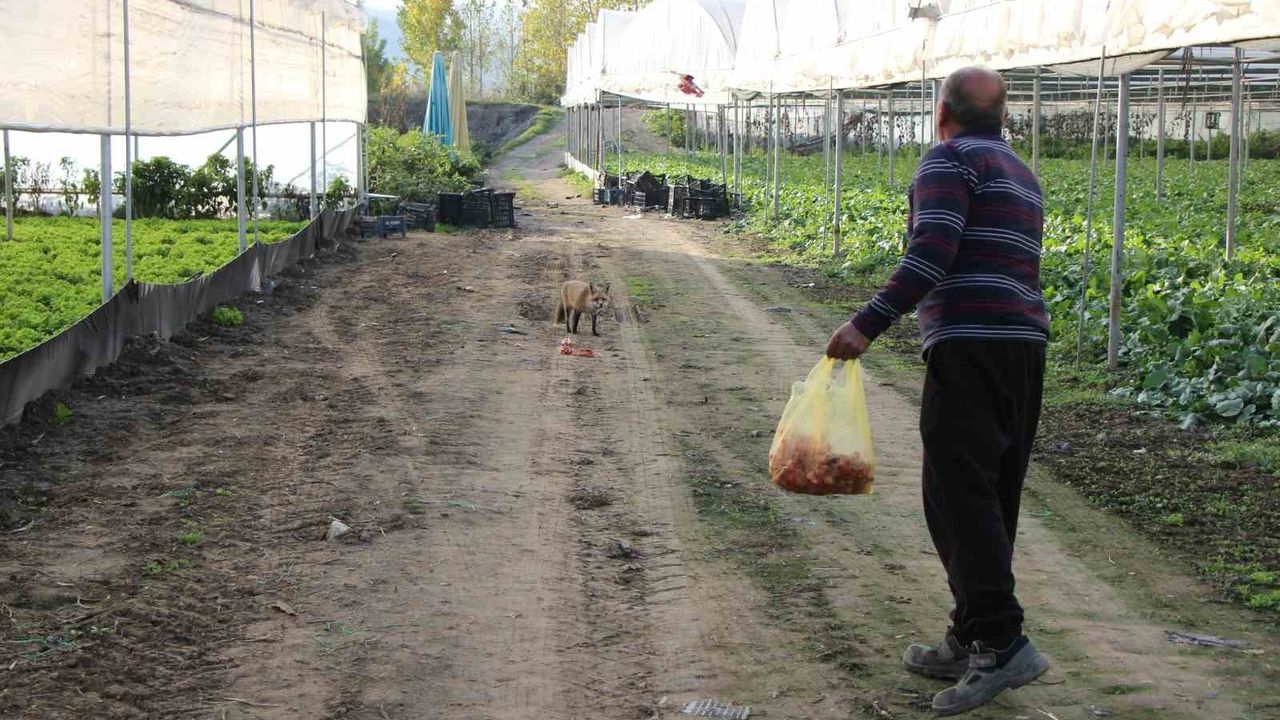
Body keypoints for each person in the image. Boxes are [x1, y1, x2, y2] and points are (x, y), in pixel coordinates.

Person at [825, 66, 1050, 715]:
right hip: (1023, 347)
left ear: (941, 112)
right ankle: (972, 630)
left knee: (955, 494)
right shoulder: (1022, 172)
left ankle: (1002, 642)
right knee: (990, 492)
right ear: (1002, 118)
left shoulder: (947, 160)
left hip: (971, 344)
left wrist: (866, 323)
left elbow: (933, 250)